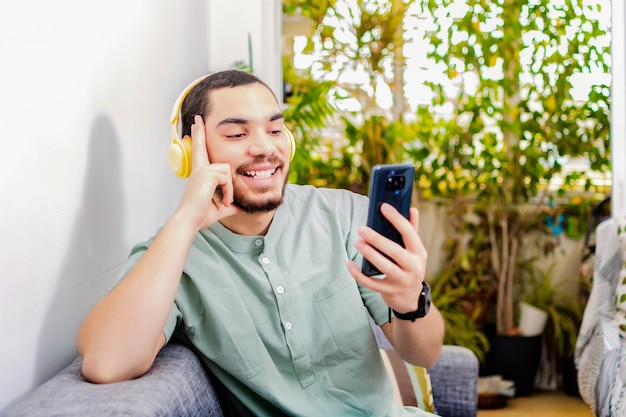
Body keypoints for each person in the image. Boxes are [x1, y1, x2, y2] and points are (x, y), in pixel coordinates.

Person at [77, 69, 445, 416]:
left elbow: (425, 355)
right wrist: (186, 218)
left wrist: (412, 301)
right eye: (237, 135)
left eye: (275, 130)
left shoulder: (345, 215)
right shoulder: (174, 255)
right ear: (190, 154)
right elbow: (106, 363)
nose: (264, 148)